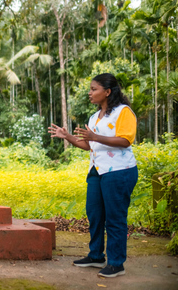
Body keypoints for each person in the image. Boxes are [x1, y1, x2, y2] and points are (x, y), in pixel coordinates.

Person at [48, 73, 138, 278]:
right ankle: (96, 255)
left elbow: (125, 140)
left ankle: (116, 263)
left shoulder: (123, 112)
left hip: (119, 171)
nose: (90, 93)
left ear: (107, 92)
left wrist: (95, 136)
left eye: (93, 89)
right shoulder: (94, 117)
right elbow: (89, 145)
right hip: (97, 171)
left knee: (115, 218)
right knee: (95, 215)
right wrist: (68, 136)